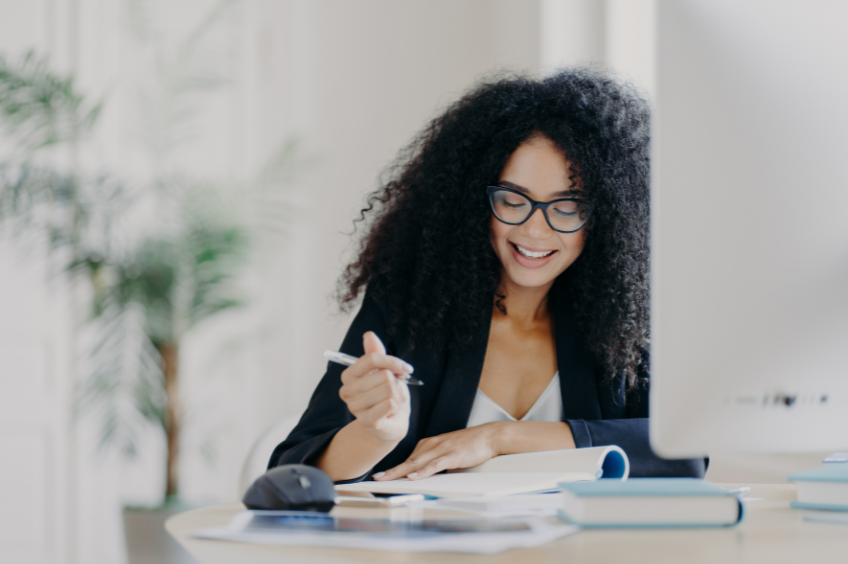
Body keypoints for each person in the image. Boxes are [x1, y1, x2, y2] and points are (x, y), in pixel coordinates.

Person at [269, 69, 706, 482]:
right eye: (514, 200)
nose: (536, 230)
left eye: (568, 207)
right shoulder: (411, 306)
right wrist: (375, 435)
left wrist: (498, 439)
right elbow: (292, 472)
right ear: (473, 201)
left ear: (608, 218)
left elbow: (685, 452)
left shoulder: (624, 325)